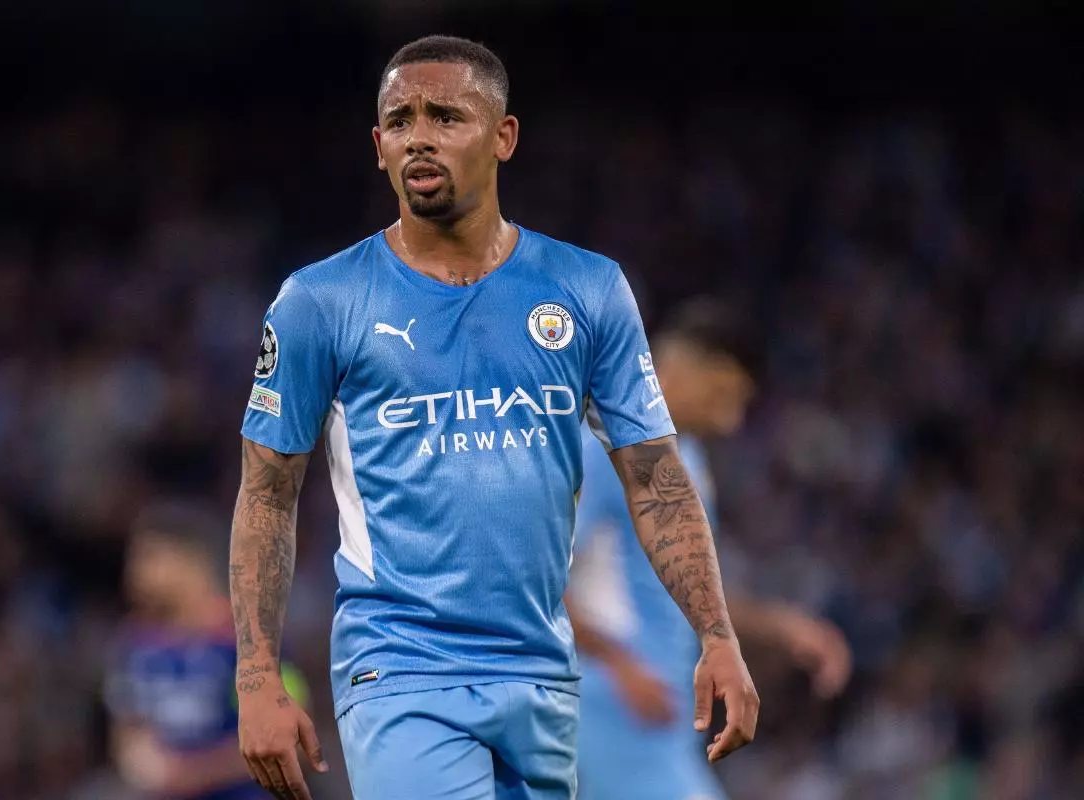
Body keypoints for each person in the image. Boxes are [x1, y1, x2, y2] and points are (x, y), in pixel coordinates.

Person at [229, 35, 759, 800]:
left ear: (503, 137)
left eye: (446, 116)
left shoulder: (587, 289)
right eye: (401, 120)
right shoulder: (321, 302)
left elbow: (655, 479)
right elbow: (266, 494)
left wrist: (717, 635)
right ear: (378, 147)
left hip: (544, 674)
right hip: (401, 667)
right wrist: (256, 680)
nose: (420, 135)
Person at [568, 298, 853, 800]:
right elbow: (533, 576)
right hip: (611, 712)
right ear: (681, 366)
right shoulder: (602, 443)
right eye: (725, 396)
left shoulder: (686, 460)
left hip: (660, 726)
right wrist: (619, 666)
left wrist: (781, 628)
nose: (732, 421)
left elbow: (687, 594)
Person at [105, 501, 310, 800]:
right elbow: (126, 726)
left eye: (148, 558)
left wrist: (195, 773)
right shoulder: (135, 643)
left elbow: (292, 740)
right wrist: (138, 759)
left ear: (191, 562)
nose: (133, 572)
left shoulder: (246, 640)